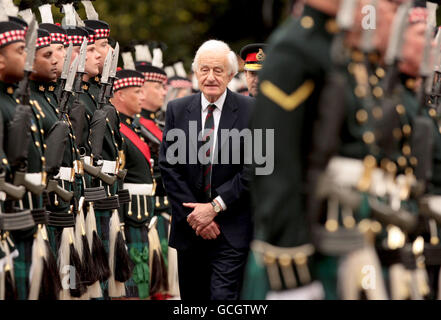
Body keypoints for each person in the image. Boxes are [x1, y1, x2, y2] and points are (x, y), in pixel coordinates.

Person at [159, 39, 254, 300]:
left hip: (231, 230)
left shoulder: (251, 111)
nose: (210, 77)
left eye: (218, 70)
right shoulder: (177, 110)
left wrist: (214, 208)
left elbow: (255, 169)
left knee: (223, 298)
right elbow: (169, 167)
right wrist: (197, 216)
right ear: (195, 73)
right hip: (190, 229)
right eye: (204, 70)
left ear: (231, 75)